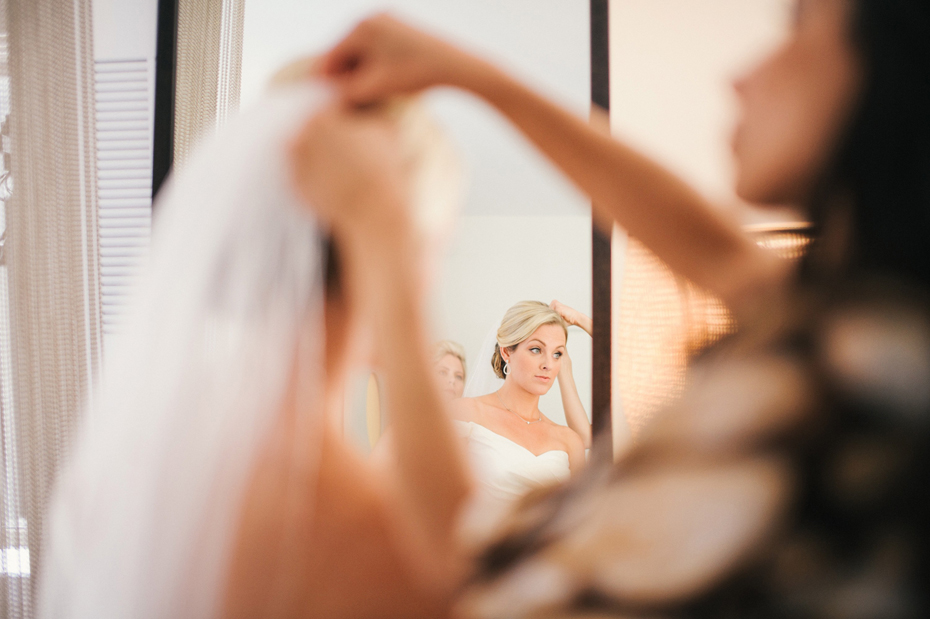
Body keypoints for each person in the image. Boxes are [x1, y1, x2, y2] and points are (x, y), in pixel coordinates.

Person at [312, 0, 930, 616]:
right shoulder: (861, 312)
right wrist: (469, 74)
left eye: (798, 32)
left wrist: (381, 246)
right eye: (539, 349)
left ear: (895, 71)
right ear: (506, 351)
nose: (738, 77)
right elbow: (715, 252)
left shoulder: (855, 383)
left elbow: (481, 566)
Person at [453, 300, 586, 511]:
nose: (548, 364)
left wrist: (582, 320)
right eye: (536, 349)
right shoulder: (466, 413)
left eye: (557, 354)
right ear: (506, 352)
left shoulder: (569, 440)